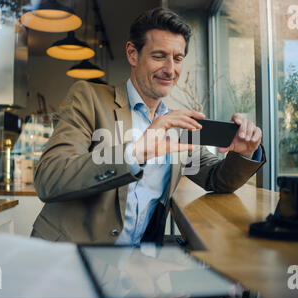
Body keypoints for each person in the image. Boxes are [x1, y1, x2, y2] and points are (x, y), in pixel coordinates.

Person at [31, 7, 266, 244]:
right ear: (133, 54)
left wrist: (244, 152)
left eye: (178, 58)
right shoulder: (88, 99)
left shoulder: (179, 125)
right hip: (69, 257)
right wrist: (136, 151)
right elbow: (48, 179)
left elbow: (216, 179)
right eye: (159, 56)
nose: (170, 69)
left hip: (131, 264)